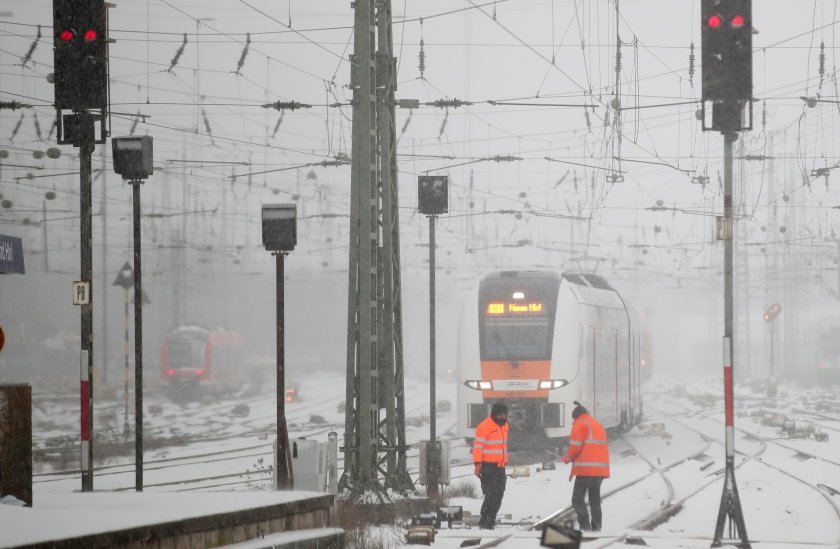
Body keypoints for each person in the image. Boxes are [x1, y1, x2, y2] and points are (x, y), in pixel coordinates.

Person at [560, 401, 610, 532]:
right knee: (594, 499)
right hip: (599, 470)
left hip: (585, 470)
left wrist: (567, 458)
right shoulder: (597, 425)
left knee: (577, 500)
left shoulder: (580, 424)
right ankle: (597, 527)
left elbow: (575, 447)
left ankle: (586, 527)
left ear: (576, 416)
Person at [473, 402, 509, 529]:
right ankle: (485, 522)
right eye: (499, 415)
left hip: (500, 468)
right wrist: (478, 464)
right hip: (488, 467)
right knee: (491, 495)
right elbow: (477, 447)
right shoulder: (484, 427)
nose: (502, 417)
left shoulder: (505, 427)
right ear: (493, 414)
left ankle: (490, 520)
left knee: (499, 495)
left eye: (504, 415)